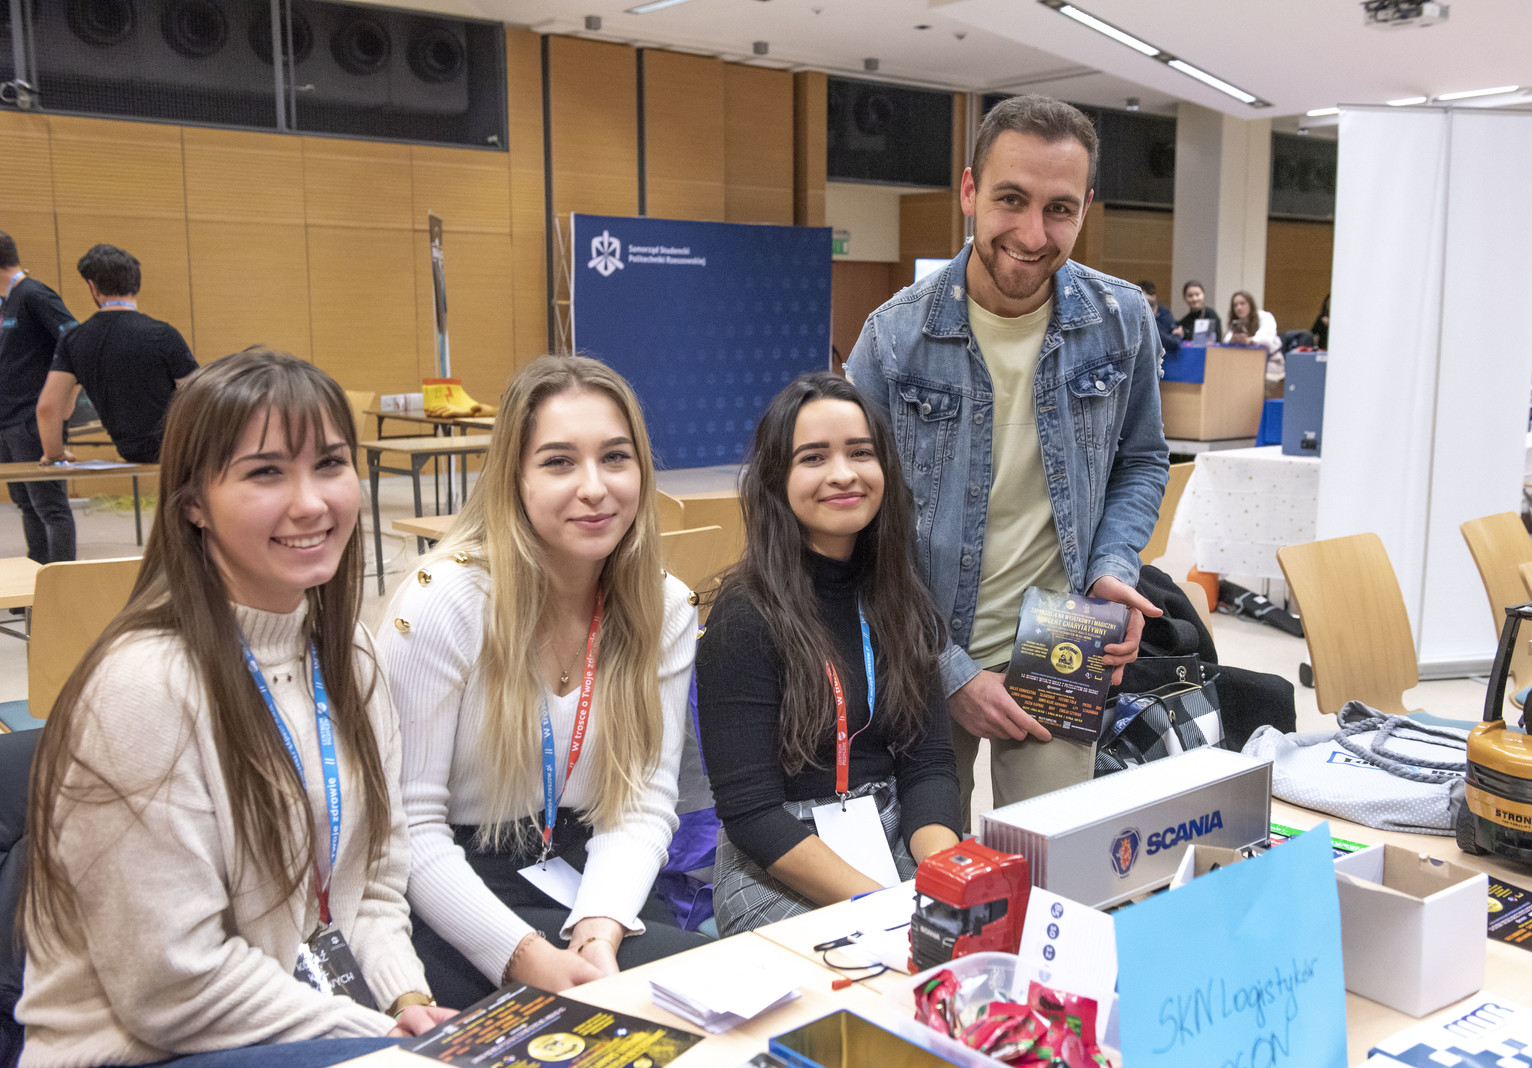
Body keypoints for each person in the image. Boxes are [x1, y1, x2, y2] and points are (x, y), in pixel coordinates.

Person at [18, 349, 452, 1068]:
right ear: (193, 502)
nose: (310, 503)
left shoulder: (348, 652)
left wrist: (405, 1002)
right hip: (150, 1049)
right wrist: (370, 1035)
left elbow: (374, 881)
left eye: (330, 464)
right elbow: (172, 984)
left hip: (297, 1024)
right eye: (265, 473)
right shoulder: (144, 686)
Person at [846, 94, 1168, 821]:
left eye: (1059, 209)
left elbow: (1143, 460)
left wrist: (1113, 570)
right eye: (1011, 200)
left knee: (1053, 858)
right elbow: (855, 525)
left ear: (1086, 209)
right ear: (969, 191)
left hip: (1062, 641)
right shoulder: (895, 337)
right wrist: (949, 670)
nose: (1031, 233)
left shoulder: (1122, 321)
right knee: (930, 865)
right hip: (924, 644)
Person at [378, 355, 705, 1009]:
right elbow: (409, 827)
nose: (595, 488)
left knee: (701, 1001)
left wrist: (599, 929)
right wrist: (528, 957)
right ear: (514, 479)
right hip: (454, 887)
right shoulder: (444, 600)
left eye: (615, 458)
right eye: (559, 462)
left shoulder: (664, 605)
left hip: (593, 875)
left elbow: (641, 803)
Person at [695, 373, 961, 935]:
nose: (843, 474)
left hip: (887, 826)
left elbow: (929, 765)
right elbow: (752, 814)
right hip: (779, 858)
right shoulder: (744, 614)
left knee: (970, 934)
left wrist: (943, 882)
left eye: (860, 453)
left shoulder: (900, 595)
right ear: (777, 478)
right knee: (885, 960)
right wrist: (887, 907)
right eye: (813, 457)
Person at [36, 243, 198, 465]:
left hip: (130, 452)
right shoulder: (163, 334)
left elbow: (49, 408)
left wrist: (54, 454)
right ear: (136, 285)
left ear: (92, 286)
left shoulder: (74, 340)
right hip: (177, 451)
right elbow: (198, 394)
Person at [0, 231, 78, 564]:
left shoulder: (33, 294)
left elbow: (74, 339)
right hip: (8, 421)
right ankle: (38, 576)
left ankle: (63, 585)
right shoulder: (7, 301)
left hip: (33, 420)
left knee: (50, 507)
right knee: (26, 504)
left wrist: (67, 398)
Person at [1226, 290, 1285, 388]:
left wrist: (1248, 341)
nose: (1239, 308)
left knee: (1252, 384)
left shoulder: (1265, 317)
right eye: (1235, 305)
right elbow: (1227, 338)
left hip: (1271, 363)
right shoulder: (1237, 323)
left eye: (1242, 303)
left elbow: (1265, 339)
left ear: (1250, 304)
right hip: (1248, 364)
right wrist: (1233, 339)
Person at [1139, 280, 1182, 356]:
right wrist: (1177, 335)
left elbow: (1172, 342)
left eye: (1150, 304)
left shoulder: (1164, 313)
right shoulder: (1132, 317)